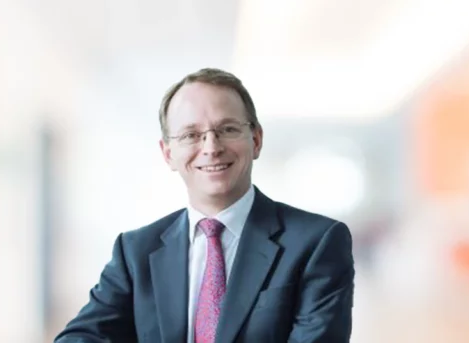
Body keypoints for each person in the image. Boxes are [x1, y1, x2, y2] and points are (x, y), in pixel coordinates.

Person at [54, 68, 355, 343]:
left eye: (227, 129)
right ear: (168, 153)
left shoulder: (317, 242)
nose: (211, 148)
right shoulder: (136, 251)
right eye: (191, 135)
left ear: (257, 139)